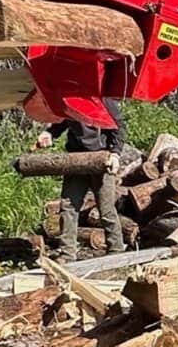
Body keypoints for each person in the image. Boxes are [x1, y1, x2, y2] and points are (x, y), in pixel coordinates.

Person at [34, 93, 126, 257]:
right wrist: (49, 134)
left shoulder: (104, 101)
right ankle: (67, 254)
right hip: (76, 160)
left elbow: (118, 128)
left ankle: (116, 251)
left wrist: (115, 154)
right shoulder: (68, 100)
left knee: (106, 209)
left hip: (101, 160)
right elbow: (60, 123)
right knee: (68, 206)